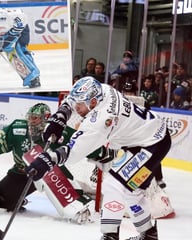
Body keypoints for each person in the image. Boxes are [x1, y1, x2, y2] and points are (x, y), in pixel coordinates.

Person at [26, 76, 171, 239]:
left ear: (93, 102)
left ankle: (109, 236)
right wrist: (61, 116)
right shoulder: (101, 89)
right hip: (143, 139)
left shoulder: (102, 120)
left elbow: (73, 153)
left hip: (153, 144)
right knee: (132, 191)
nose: (77, 108)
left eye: (80, 105)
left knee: (114, 185)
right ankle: (149, 234)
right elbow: (73, 100)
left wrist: (46, 160)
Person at [0, 102, 121, 224]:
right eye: (30, 118)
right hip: (22, 172)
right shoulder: (18, 128)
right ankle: (17, 197)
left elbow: (82, 143)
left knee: (49, 169)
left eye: (35, 119)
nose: (31, 122)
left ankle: (77, 203)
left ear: (45, 119)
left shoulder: (57, 130)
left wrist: (103, 154)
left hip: (49, 172)